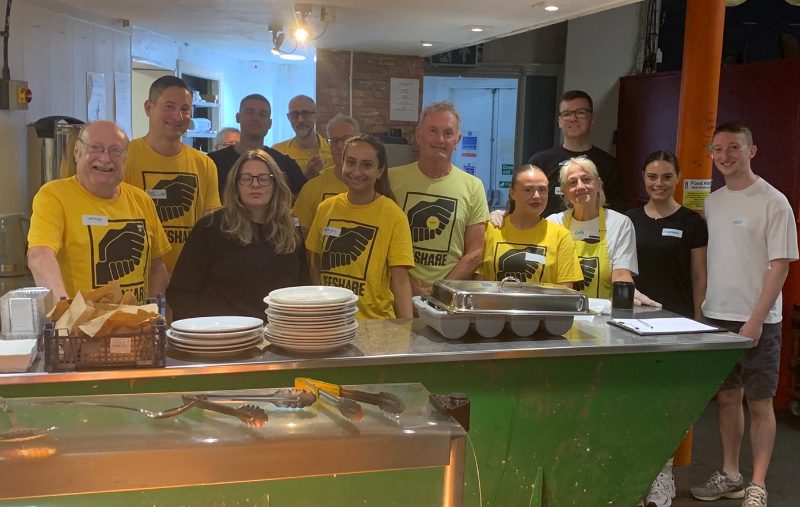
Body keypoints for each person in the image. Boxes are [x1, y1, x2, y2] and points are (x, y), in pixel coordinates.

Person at [690, 122, 797, 507]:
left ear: (752, 151)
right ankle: (731, 474)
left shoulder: (773, 201)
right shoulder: (713, 203)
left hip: (759, 320)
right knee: (727, 398)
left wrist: (755, 318)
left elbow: (780, 265)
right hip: (717, 316)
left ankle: (758, 483)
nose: (724, 156)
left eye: (733, 147)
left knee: (760, 401)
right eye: (717, 149)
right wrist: (702, 312)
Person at [627, 151, 708, 507]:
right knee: (636, 398)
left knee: (669, 402)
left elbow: (699, 275)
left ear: (677, 177)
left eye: (665, 177)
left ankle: (663, 474)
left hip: (678, 323)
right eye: (651, 176)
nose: (658, 184)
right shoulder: (628, 220)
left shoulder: (692, 222)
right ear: (643, 178)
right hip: (632, 322)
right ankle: (635, 471)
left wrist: (700, 320)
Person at [27, 120, 170, 302]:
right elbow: (40, 255)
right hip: (80, 326)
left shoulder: (141, 200)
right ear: (77, 152)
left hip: (134, 327)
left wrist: (156, 316)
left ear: (125, 157)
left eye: (115, 150)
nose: (105, 158)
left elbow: (157, 268)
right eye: (95, 148)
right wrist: (65, 312)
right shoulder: (53, 196)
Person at [167, 150, 308, 320]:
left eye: (263, 178)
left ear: (275, 183)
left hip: (278, 334)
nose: (255, 184)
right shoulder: (210, 228)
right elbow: (180, 292)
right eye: (246, 178)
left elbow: (303, 287)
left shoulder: (291, 227)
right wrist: (205, 333)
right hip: (224, 337)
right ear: (235, 184)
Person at [306, 135, 413, 319]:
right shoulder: (326, 208)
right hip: (330, 321)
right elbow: (315, 267)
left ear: (380, 171)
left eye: (366, 165)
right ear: (343, 164)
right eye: (351, 162)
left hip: (376, 326)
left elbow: (401, 282)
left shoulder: (394, 215)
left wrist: (407, 332)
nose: (356, 171)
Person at [389, 100, 489, 296]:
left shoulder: (473, 186)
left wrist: (440, 291)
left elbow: (475, 252)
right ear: (419, 136)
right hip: (397, 297)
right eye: (432, 131)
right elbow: (383, 244)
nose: (440, 139)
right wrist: (411, 290)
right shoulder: (392, 179)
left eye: (448, 133)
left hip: (450, 299)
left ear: (457, 140)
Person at [124, 75, 221, 273]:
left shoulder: (205, 164)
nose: (178, 116)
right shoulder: (125, 157)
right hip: (139, 276)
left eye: (185, 109)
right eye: (169, 106)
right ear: (148, 108)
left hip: (189, 277)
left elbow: (210, 224)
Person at [547, 157, 637, 299]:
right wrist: (501, 214)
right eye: (572, 182)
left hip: (602, 316)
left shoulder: (620, 223)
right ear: (564, 191)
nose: (580, 186)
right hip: (561, 312)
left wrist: (629, 294)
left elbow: (621, 275)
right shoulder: (553, 223)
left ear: (599, 184)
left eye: (586, 179)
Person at [479, 164, 582, 287]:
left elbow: (565, 291)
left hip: (543, 306)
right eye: (528, 190)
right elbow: (478, 283)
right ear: (512, 193)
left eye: (542, 190)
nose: (537, 196)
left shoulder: (561, 236)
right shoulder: (491, 229)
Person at [529, 90, 625, 217]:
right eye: (567, 114)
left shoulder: (610, 166)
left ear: (593, 119)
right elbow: (523, 205)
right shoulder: (540, 163)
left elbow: (618, 212)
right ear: (559, 121)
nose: (573, 119)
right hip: (548, 236)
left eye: (580, 113)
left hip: (596, 235)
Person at [209, 94, 306, 198]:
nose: (256, 118)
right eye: (250, 112)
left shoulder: (286, 165)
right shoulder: (213, 163)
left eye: (263, 114)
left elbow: (300, 202)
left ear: (270, 123)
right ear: (238, 117)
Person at [292, 113, 360, 239]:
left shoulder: (373, 184)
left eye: (346, 140)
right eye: (334, 141)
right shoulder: (313, 187)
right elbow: (300, 234)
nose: (340, 146)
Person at [272, 95, 334, 179]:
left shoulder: (333, 151)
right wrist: (305, 177)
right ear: (289, 118)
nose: (300, 120)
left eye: (306, 114)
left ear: (316, 116)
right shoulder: (277, 152)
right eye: (295, 114)